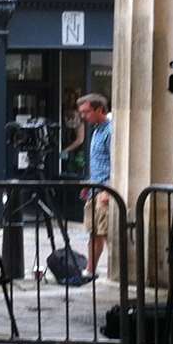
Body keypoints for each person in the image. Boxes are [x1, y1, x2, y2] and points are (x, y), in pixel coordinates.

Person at [75, 93, 113, 279]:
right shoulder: (97, 130)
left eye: (86, 111)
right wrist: (88, 184)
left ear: (99, 109)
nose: (84, 116)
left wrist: (108, 190)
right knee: (93, 232)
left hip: (105, 191)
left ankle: (118, 271)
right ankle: (90, 270)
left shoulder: (110, 131)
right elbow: (99, 161)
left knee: (106, 234)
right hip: (94, 189)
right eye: (82, 112)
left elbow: (116, 163)